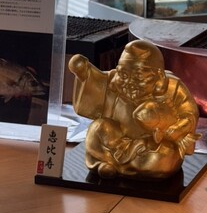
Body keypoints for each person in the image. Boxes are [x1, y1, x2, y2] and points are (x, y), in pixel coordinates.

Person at [69, 39, 200, 179]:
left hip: (150, 145)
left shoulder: (173, 88)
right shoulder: (114, 82)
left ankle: (115, 164)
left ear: (159, 76)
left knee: (163, 156)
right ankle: (106, 162)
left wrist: (177, 128)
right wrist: (84, 72)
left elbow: (189, 114)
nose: (129, 83)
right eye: (124, 75)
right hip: (116, 140)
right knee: (97, 128)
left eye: (138, 77)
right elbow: (96, 82)